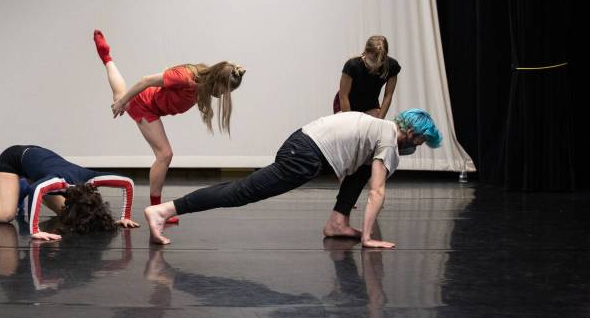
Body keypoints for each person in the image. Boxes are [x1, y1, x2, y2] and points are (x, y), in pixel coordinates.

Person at [143, 109, 442, 247]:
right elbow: (377, 192)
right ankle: (164, 210)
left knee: (363, 167)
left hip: (304, 145)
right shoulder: (389, 140)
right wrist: (367, 238)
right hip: (305, 155)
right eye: (418, 143)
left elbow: (359, 171)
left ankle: (337, 222)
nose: (414, 148)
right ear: (412, 134)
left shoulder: (379, 129)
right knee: (241, 192)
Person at [92, 29, 245, 225]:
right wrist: (123, 103)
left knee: (120, 94)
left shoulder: (204, 84)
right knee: (164, 154)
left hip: (153, 109)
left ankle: (106, 57)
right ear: (218, 81)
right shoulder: (184, 76)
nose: (224, 96)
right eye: (225, 91)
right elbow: (145, 80)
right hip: (145, 105)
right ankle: (156, 210)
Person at [0, 145, 139, 240]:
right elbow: (37, 190)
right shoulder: (57, 182)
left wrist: (125, 216)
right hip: (12, 160)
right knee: (5, 215)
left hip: (38, 161)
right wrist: (34, 230)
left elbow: (127, 183)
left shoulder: (90, 178)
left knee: (63, 213)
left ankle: (20, 187)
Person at [334, 35, 400, 117]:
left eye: (380, 61)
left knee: (374, 126)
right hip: (345, 102)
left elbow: (388, 96)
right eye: (373, 60)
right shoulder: (352, 65)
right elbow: (343, 96)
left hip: (370, 104)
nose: (376, 65)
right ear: (366, 51)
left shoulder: (392, 66)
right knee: (350, 127)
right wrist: (349, 121)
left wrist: (379, 121)